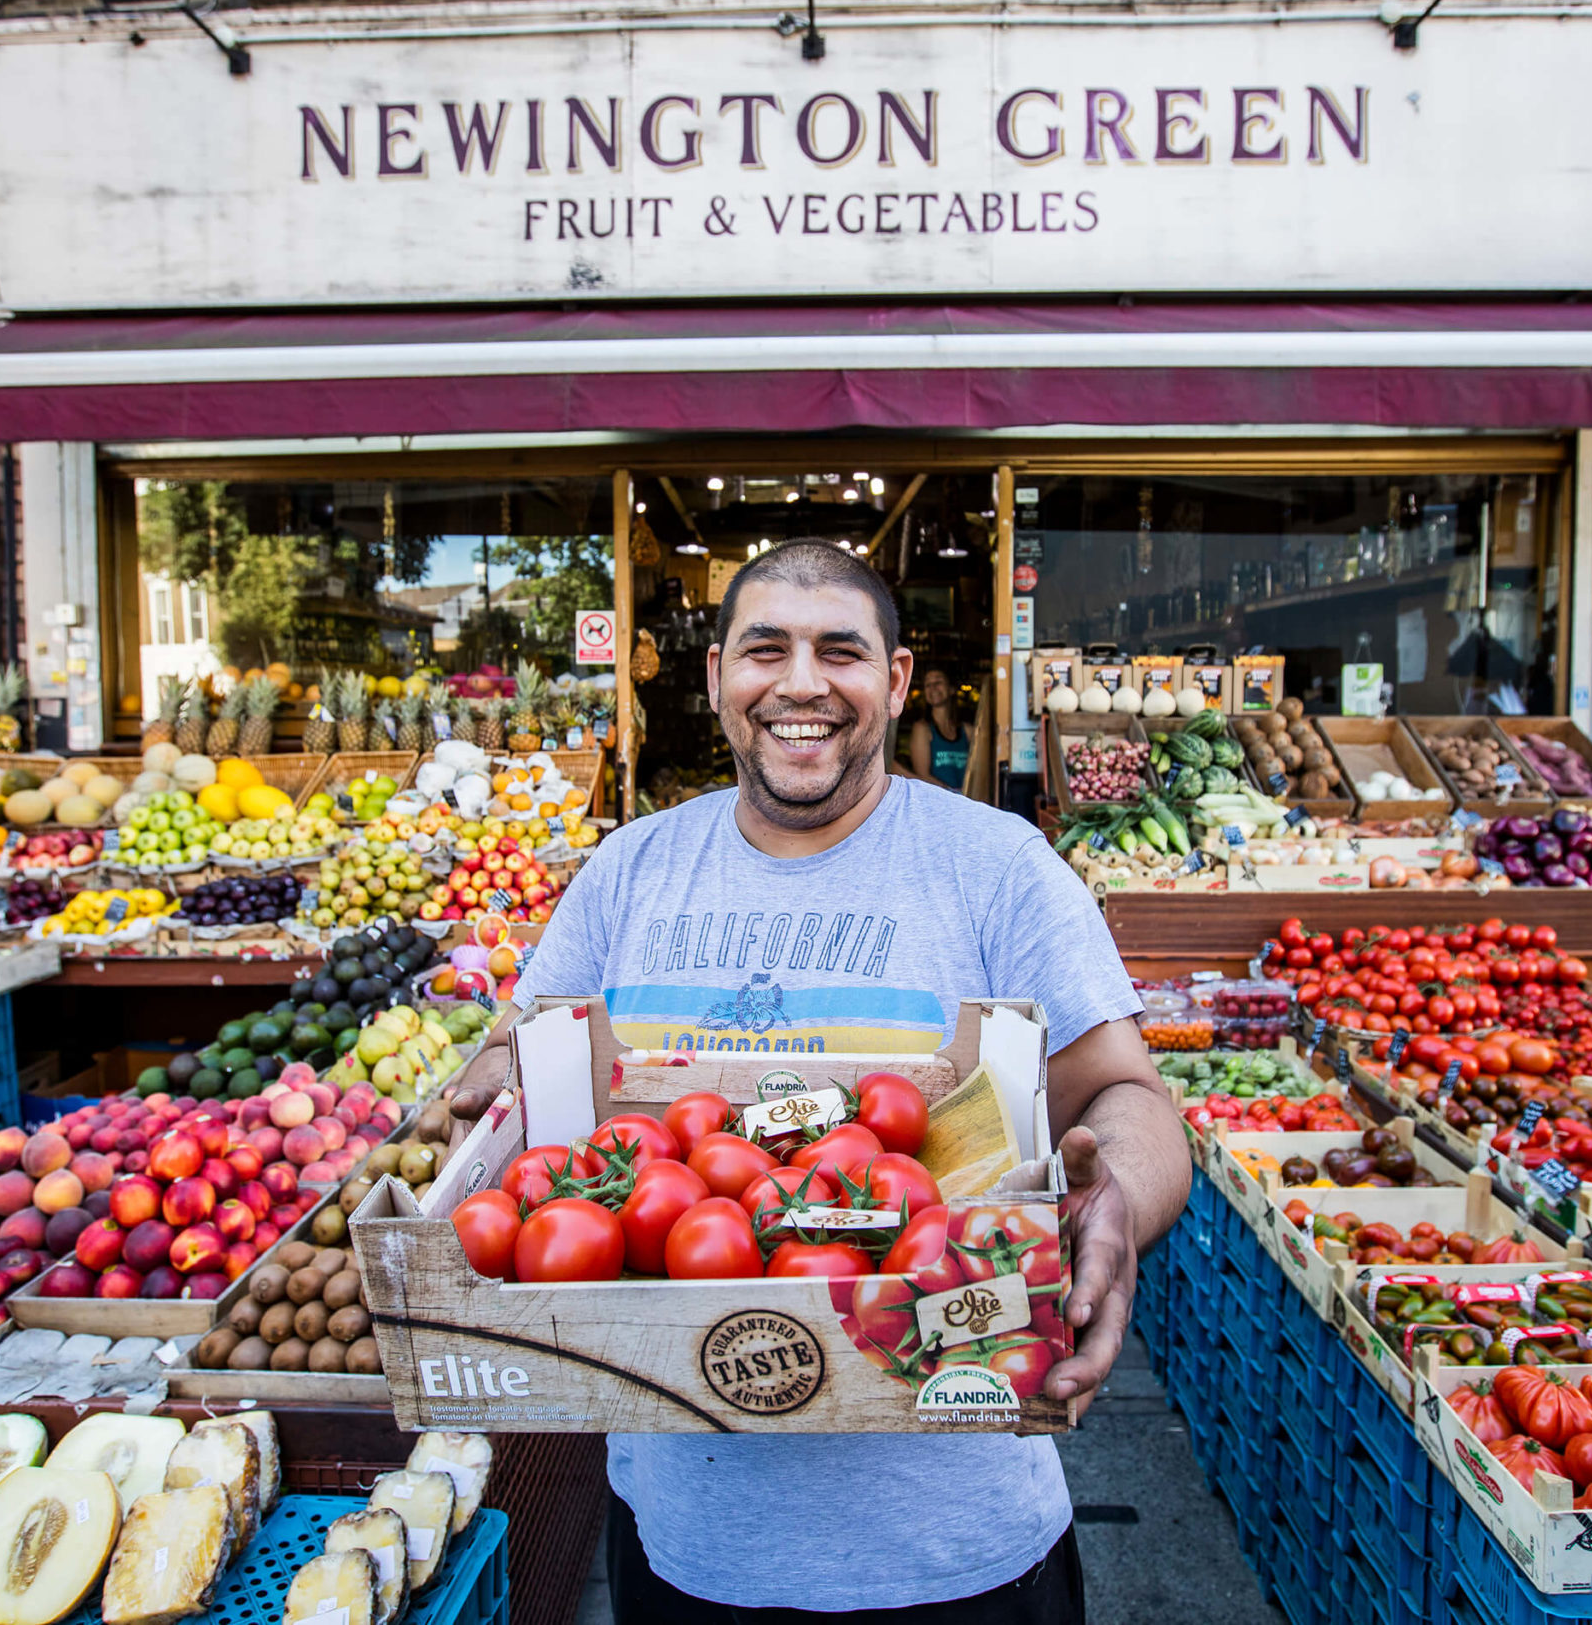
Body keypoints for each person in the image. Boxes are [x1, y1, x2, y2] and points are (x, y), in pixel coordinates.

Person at [450, 537, 1186, 1623]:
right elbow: (523, 1062)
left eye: (840, 651)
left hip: (962, 1549)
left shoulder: (998, 868)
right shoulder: (629, 872)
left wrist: (1119, 1194)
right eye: (765, 650)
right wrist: (483, 1092)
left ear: (892, 682)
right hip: (685, 1546)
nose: (801, 683)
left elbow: (1130, 1096)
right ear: (715, 682)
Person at [904, 665, 974, 795]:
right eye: (928, 685)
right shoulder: (922, 729)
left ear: (952, 689)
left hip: (967, 803)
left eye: (938, 682)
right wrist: (952, 792)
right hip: (938, 802)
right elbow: (923, 776)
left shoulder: (968, 731)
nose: (933, 688)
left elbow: (979, 771)